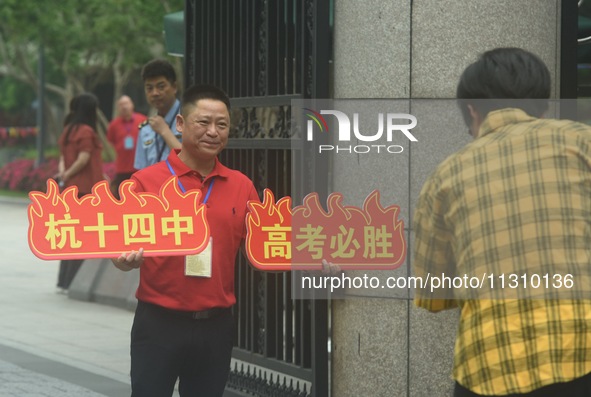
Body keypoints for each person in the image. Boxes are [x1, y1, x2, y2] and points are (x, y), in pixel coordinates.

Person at [413, 47, 591, 396]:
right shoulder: (581, 141)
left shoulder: (443, 177)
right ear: (543, 105)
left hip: (488, 369)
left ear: (471, 111)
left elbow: (432, 296)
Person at [112, 84, 259, 397]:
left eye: (222, 124)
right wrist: (123, 261)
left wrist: (315, 260)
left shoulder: (242, 187)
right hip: (158, 323)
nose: (213, 132)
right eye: (203, 122)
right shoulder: (145, 182)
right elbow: (118, 249)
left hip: (216, 326)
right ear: (180, 124)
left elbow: (262, 249)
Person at [56, 93, 104, 293]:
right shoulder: (86, 131)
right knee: (83, 236)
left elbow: (62, 158)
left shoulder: (68, 130)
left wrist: (64, 175)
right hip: (85, 190)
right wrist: (68, 173)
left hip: (70, 190)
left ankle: (64, 281)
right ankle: (75, 281)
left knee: (71, 235)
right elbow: (83, 159)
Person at [134, 59, 182, 170]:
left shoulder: (190, 119)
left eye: (161, 87)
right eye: (149, 88)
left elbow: (192, 162)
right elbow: (141, 171)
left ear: (174, 87)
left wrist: (164, 131)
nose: (155, 93)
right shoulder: (146, 128)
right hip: (154, 186)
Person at [106, 95, 146, 198]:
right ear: (118, 108)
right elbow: (110, 142)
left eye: (126, 103)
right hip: (122, 169)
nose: (124, 107)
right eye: (121, 105)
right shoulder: (113, 125)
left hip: (140, 167)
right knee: (122, 198)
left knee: (141, 197)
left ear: (132, 105)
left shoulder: (143, 120)